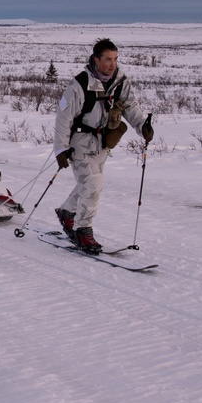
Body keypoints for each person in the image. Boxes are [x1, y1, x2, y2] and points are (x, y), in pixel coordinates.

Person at [53, 38, 154, 254]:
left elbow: (130, 106)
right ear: (96, 59)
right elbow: (63, 118)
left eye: (115, 59)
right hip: (79, 142)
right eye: (107, 59)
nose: (112, 64)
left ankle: (67, 213)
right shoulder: (79, 84)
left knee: (88, 184)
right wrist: (61, 150)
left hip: (103, 142)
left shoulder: (120, 81)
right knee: (93, 183)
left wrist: (142, 126)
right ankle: (83, 230)